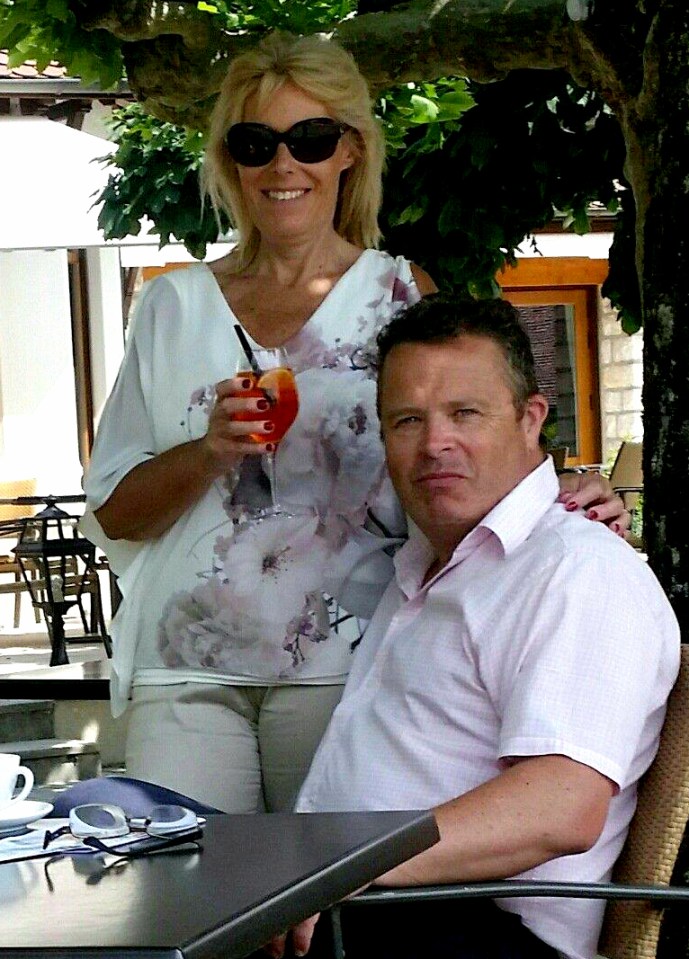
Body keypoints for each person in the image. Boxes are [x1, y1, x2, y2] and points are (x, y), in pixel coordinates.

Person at [82, 32, 630, 816]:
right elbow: (115, 512)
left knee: (336, 908)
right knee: (187, 901)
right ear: (228, 160)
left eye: (309, 139)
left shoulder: (399, 291)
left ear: (350, 151)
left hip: (348, 653)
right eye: (254, 143)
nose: (283, 167)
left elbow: (468, 444)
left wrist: (567, 491)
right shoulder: (170, 305)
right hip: (187, 662)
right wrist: (207, 451)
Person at [278, 296, 680, 959]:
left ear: (529, 420)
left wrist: (341, 871)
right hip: (374, 910)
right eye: (407, 420)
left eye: (465, 413)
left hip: (466, 927)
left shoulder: (575, 569)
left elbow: (559, 805)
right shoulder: (428, 566)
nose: (435, 442)